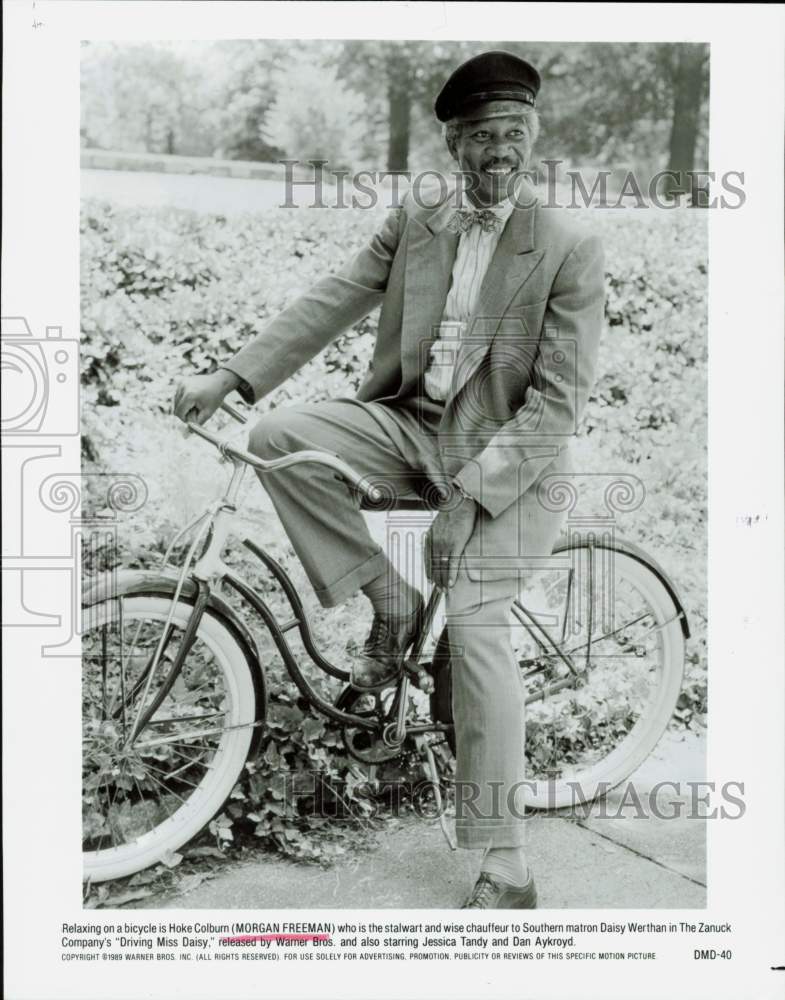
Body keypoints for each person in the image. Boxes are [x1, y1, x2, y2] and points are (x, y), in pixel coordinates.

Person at [174, 50, 605, 909]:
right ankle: (393, 603)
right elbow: (336, 296)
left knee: (475, 629)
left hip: (513, 463)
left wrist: (469, 499)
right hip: (412, 427)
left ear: (533, 136)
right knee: (280, 437)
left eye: (513, 132)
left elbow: (556, 406)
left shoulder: (567, 244)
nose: (498, 150)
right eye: (480, 135)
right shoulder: (423, 215)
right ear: (452, 145)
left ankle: (506, 861)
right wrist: (231, 375)